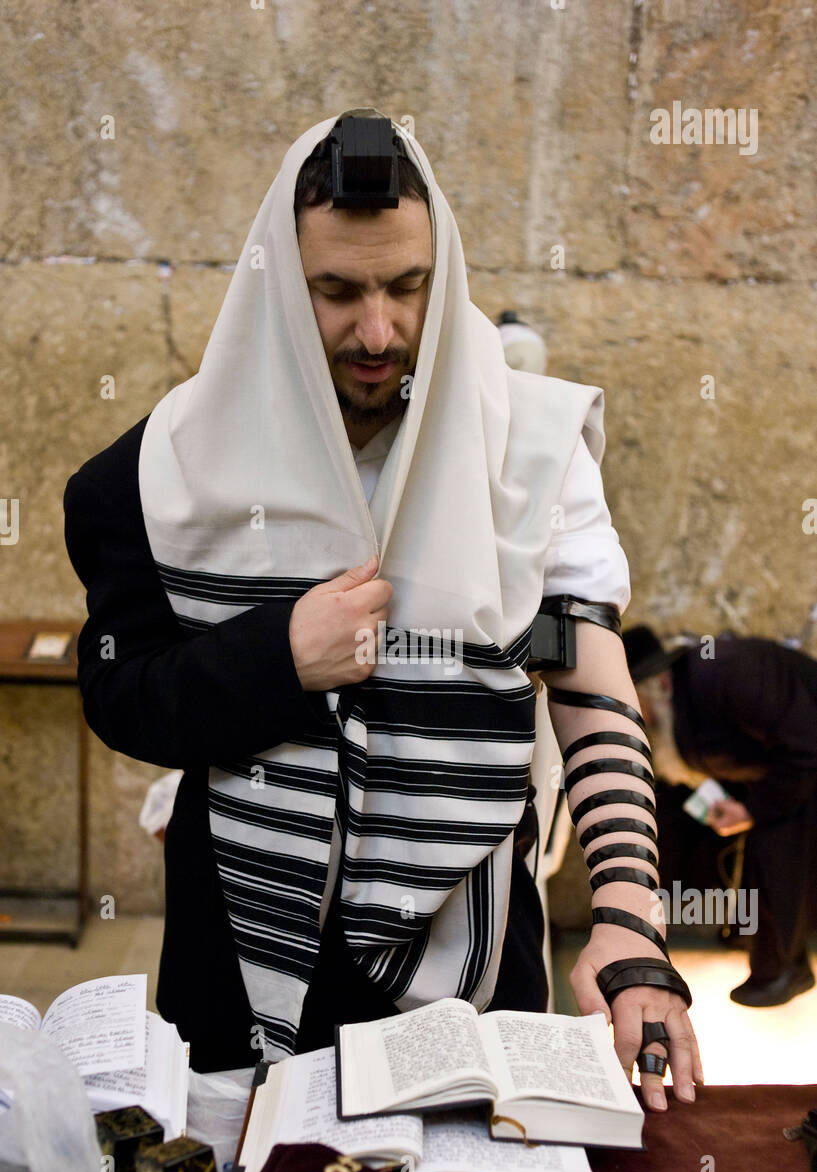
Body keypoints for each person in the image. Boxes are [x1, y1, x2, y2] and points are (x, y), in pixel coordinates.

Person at [63, 109, 702, 1112]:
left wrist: (626, 921)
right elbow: (119, 693)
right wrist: (279, 656)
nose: (377, 331)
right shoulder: (155, 479)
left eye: (407, 288)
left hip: (478, 952)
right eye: (338, 292)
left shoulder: (529, 454)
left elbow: (585, 681)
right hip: (240, 957)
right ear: (281, 282)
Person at [623, 625, 817, 1006]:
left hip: (806, 764)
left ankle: (783, 971)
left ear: (658, 684)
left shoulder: (723, 673)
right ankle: (739, 932)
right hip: (784, 767)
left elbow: (807, 748)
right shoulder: (683, 696)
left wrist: (752, 809)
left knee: (774, 840)